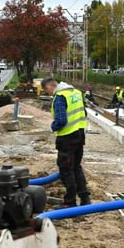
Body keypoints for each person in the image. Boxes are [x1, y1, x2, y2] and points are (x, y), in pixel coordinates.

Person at [42, 78, 91, 208]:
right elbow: (84, 112)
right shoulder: (75, 92)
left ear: (50, 87)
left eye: (47, 91)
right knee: (76, 167)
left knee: (66, 169)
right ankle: (85, 198)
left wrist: (52, 127)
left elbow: (61, 120)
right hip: (80, 135)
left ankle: (70, 202)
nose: (49, 94)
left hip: (67, 138)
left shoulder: (60, 97)